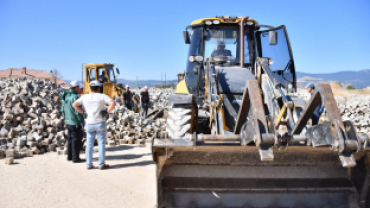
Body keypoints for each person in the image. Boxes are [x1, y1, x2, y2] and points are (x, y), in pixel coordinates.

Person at [72, 80, 116, 170]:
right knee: (101, 144)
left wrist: (83, 112)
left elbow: (75, 105)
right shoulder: (102, 96)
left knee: (89, 144)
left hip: (89, 123)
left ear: (90, 88)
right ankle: (101, 164)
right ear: (99, 88)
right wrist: (106, 111)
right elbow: (113, 103)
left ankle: (89, 164)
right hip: (100, 122)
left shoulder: (85, 97)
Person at [61, 80, 84, 163]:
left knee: (70, 139)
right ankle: (75, 158)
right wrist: (81, 119)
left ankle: (70, 156)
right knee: (76, 140)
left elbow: (62, 109)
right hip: (75, 121)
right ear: (77, 87)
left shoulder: (65, 96)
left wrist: (65, 118)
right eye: (79, 87)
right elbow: (77, 111)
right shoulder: (75, 97)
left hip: (68, 121)